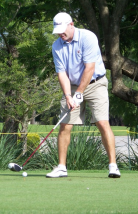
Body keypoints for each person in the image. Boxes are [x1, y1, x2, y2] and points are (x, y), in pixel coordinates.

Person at [46, 12, 121, 178]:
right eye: (57, 31)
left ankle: (113, 166)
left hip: (96, 83)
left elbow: (90, 68)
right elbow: (62, 74)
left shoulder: (88, 37)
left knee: (102, 123)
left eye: (63, 30)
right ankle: (61, 167)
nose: (60, 34)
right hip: (71, 86)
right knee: (65, 125)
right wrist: (68, 96)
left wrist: (79, 93)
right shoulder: (56, 46)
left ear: (71, 24)